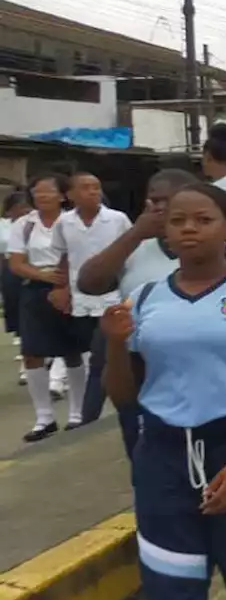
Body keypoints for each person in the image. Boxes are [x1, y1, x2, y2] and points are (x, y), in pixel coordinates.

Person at [100, 183, 226, 600]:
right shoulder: (145, 299)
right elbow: (123, 395)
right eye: (177, 221)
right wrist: (116, 345)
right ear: (165, 232)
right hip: (162, 459)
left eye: (203, 220)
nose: (189, 229)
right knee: (172, 591)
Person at [49, 172, 132, 427]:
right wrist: (61, 287)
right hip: (81, 297)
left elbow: (132, 250)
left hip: (115, 296)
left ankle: (89, 416)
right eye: (85, 188)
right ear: (71, 194)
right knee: (90, 355)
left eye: (96, 187)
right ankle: (90, 411)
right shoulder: (64, 223)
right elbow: (63, 257)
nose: (93, 192)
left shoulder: (117, 219)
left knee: (101, 357)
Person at [8, 173, 84, 441]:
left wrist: (62, 281)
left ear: (62, 195)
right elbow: (16, 263)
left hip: (68, 289)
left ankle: (77, 414)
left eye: (47, 191)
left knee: (72, 351)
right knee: (32, 352)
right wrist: (43, 276)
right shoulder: (24, 224)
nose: (42, 196)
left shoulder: (72, 220)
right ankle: (44, 418)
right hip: (35, 289)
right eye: (37, 192)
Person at [1, 190, 31, 383]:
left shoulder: (36, 224)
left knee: (32, 316)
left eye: (27, 208)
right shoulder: (3, 226)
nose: (23, 212)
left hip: (35, 270)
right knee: (17, 316)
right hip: (10, 270)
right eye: (19, 208)